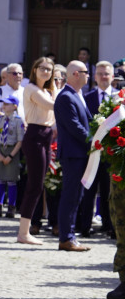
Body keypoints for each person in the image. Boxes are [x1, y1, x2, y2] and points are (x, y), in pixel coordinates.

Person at [53, 61, 93, 252]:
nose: (89, 76)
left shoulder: (77, 95)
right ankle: (66, 237)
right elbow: (74, 126)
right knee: (70, 195)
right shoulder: (66, 97)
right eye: (86, 72)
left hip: (79, 153)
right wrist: (94, 141)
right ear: (76, 74)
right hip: (72, 154)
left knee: (77, 195)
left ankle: (70, 236)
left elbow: (87, 122)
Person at [16, 57, 56, 244]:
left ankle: (25, 231)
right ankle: (24, 232)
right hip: (35, 135)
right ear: (34, 69)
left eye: (49, 69)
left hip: (46, 136)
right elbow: (53, 106)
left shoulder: (47, 90)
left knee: (39, 184)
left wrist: (54, 84)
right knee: (35, 185)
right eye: (42, 68)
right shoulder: (32, 89)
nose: (46, 72)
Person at [78, 60, 118, 239]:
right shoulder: (87, 98)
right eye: (100, 74)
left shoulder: (119, 98)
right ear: (95, 77)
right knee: (89, 190)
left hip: (112, 153)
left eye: (106, 74)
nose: (103, 77)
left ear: (112, 77)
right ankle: (85, 226)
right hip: (92, 152)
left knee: (109, 191)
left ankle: (110, 226)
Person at [0, 96, 25, 219]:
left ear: (15, 106)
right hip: (0, 150)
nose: (4, 106)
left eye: (7, 104)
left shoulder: (18, 121)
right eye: (3, 104)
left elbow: (20, 140)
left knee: (11, 180)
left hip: (12, 151)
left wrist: (11, 155)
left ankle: (11, 207)